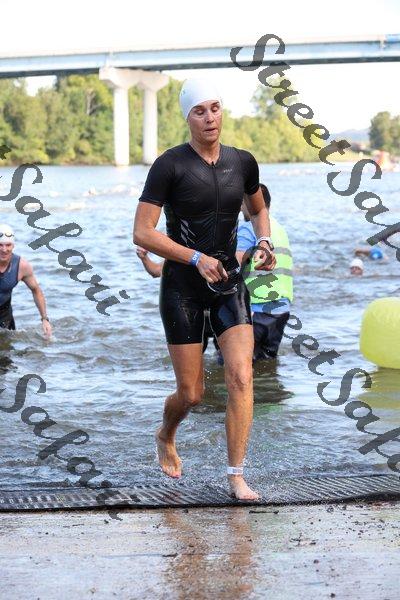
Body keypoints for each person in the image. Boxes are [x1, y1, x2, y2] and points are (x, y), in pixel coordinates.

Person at [133, 77, 276, 500]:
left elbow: (258, 209)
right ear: (188, 118)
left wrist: (264, 241)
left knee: (242, 376)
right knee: (192, 394)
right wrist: (196, 258)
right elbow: (143, 232)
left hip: (229, 283)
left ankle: (236, 476)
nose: (209, 117)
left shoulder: (242, 162)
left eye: (214, 108)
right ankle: (166, 433)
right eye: (199, 111)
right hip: (182, 288)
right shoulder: (169, 165)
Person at [235, 184, 293, 361]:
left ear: (250, 203)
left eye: (242, 202)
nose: (240, 207)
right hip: (281, 310)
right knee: (266, 362)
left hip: (257, 308)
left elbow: (235, 262)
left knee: (232, 361)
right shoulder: (279, 229)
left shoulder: (248, 228)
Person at [136, 246, 218, 353]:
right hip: (192, 313)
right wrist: (144, 257)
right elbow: (156, 271)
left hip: (217, 310)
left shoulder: (221, 250)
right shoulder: (184, 253)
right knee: (194, 355)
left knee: (223, 355)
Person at [0, 224, 52, 337]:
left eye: (8, 245)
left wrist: (44, 319)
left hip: (5, 316)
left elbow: (36, 290)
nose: (4, 249)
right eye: (0, 245)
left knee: (7, 346)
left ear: (13, 246)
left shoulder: (21, 266)